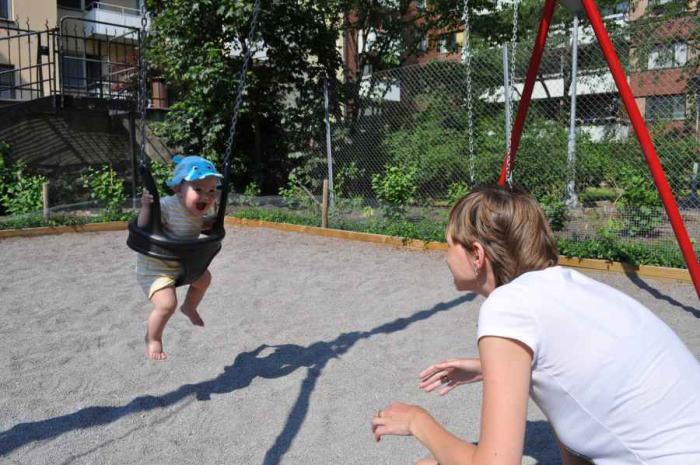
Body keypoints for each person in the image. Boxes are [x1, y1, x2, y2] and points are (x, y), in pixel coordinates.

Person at [371, 185, 700, 465]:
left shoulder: (507, 306)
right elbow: (578, 378)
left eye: (449, 244)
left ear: (477, 254)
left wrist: (417, 421)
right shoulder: (568, 284)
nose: (445, 255)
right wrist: (489, 368)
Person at [136, 155, 222, 361]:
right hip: (156, 268)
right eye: (198, 189)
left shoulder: (195, 211)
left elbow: (189, 226)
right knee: (166, 305)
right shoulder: (165, 206)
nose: (206, 196)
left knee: (204, 279)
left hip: (183, 265)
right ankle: (153, 338)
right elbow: (143, 227)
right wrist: (147, 208)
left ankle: (189, 307)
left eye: (211, 191)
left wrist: (207, 223)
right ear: (178, 188)